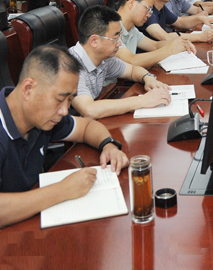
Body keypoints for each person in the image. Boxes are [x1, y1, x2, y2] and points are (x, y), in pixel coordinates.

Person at [0, 45, 129, 228]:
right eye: (60, 99)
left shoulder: (44, 117)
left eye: (70, 100)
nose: (64, 110)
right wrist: (62, 190)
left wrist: (108, 145)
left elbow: (87, 126)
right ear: (28, 89)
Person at [68, 6, 172, 120]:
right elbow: (89, 110)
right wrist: (143, 100)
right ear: (94, 41)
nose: (119, 43)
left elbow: (132, 70)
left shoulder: (105, 59)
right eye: (115, 38)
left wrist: (148, 78)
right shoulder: (70, 65)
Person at [115, 0, 196, 69]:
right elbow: (131, 61)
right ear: (131, 3)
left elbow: (155, 45)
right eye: (147, 8)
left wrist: (180, 43)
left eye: (150, 11)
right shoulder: (110, 28)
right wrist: (170, 49)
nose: (149, 15)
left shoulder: (132, 29)